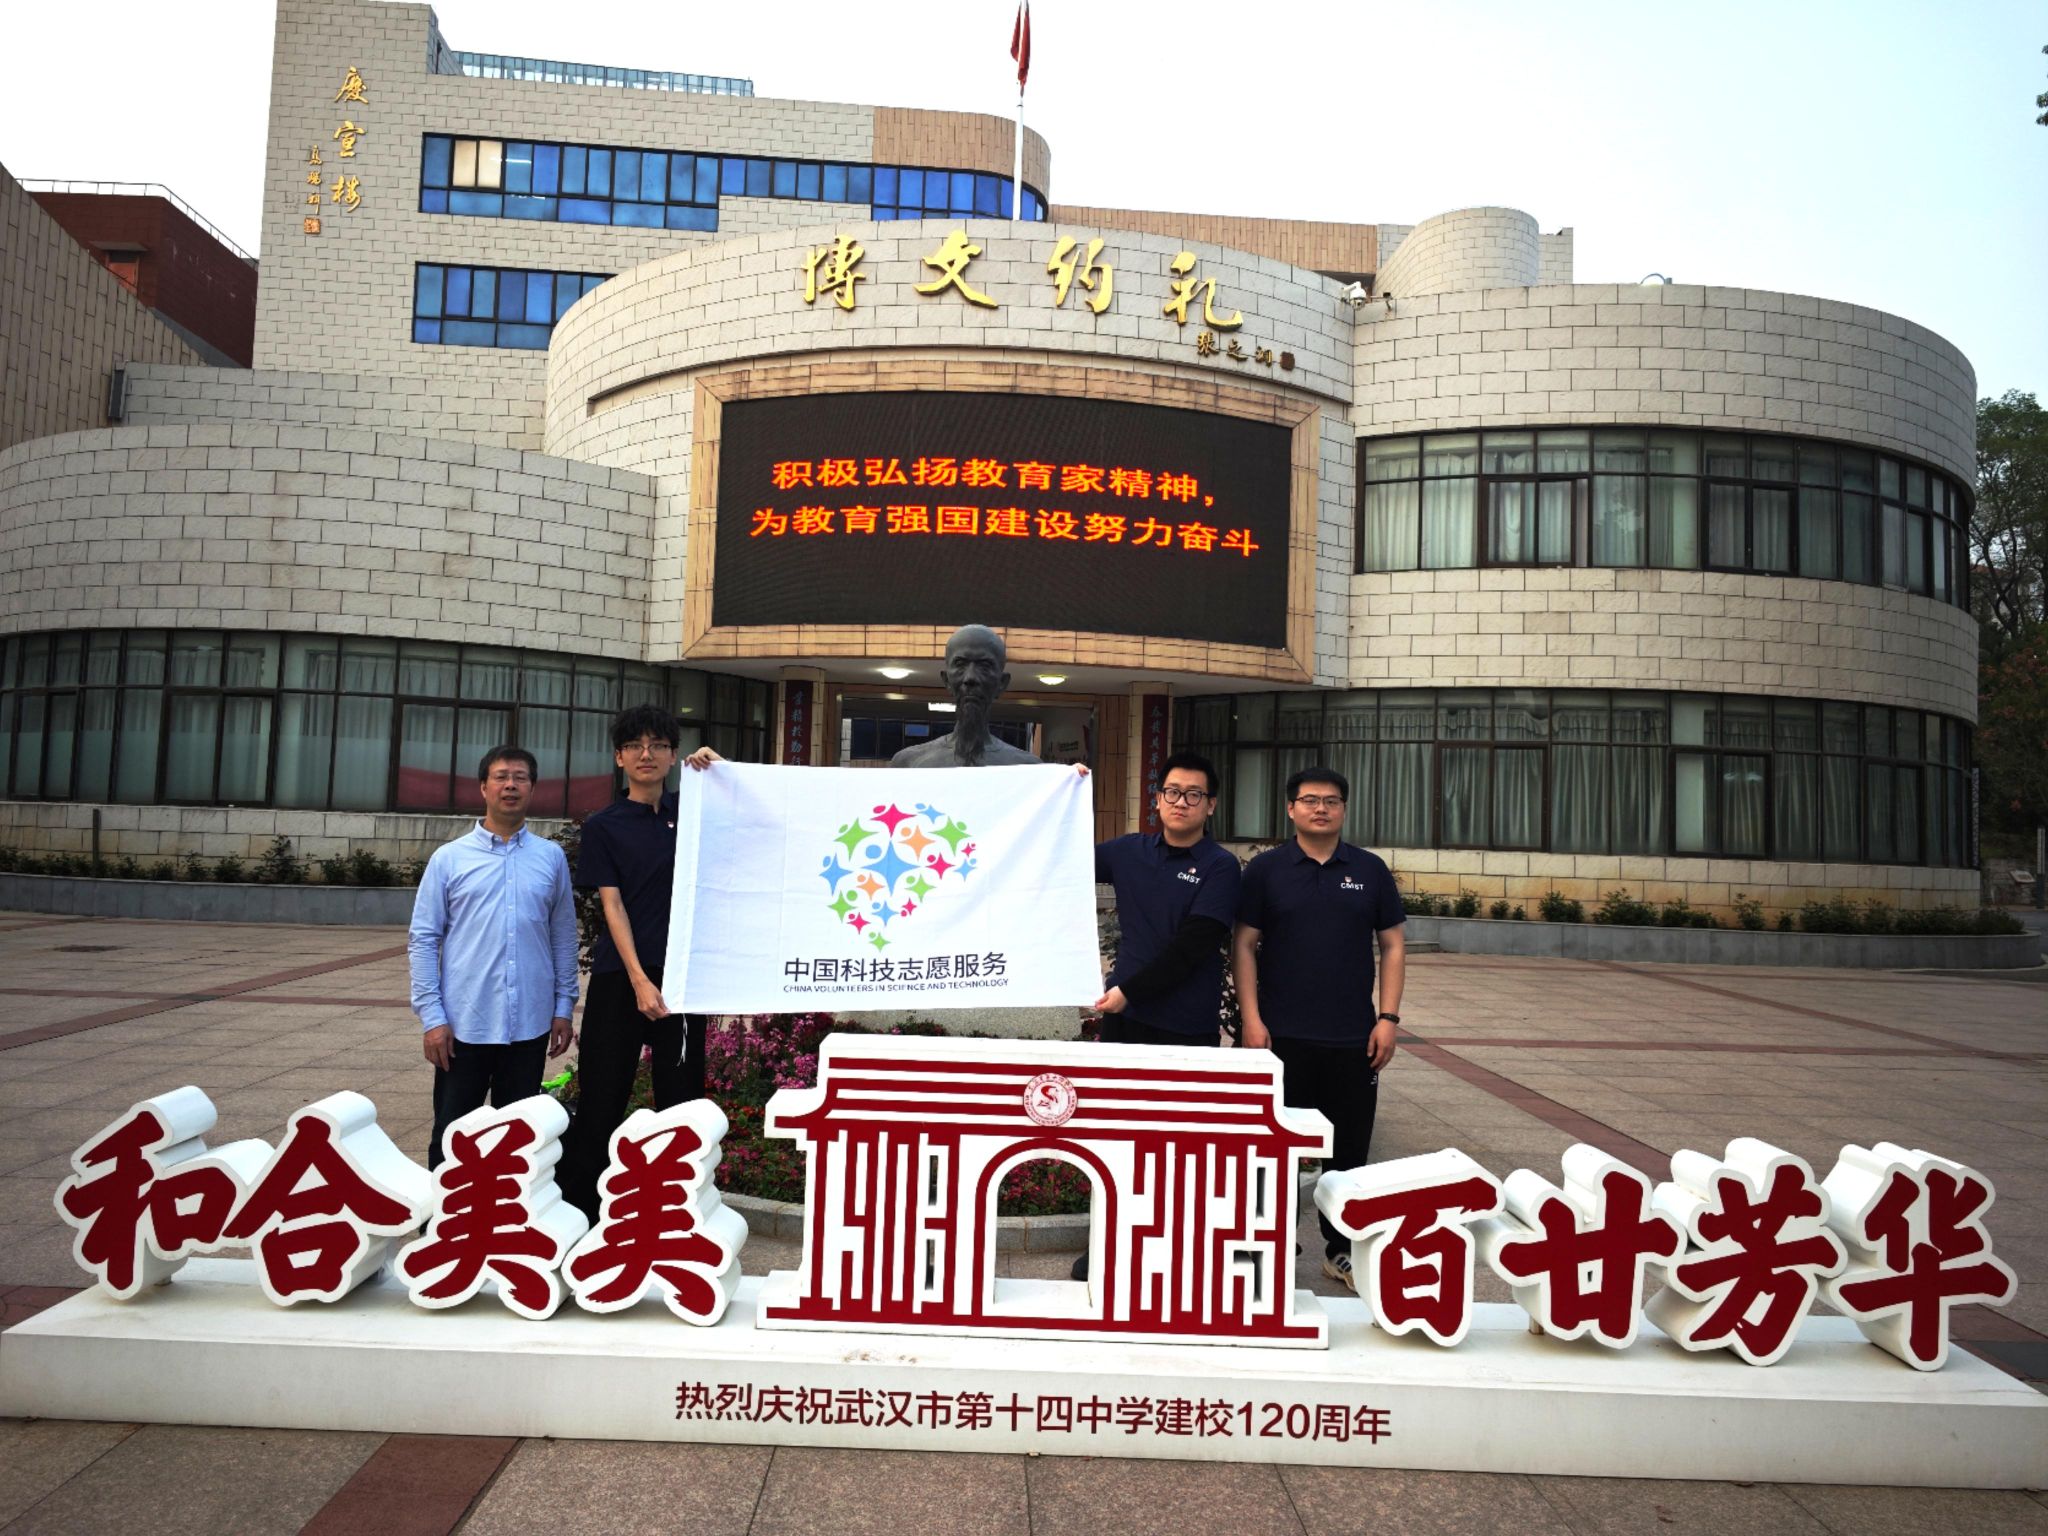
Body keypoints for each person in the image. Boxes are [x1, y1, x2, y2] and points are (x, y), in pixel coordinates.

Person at [1231, 764, 1406, 1293]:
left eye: (1331, 800)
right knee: (1270, 1151)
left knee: (1348, 1152)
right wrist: (1251, 1020)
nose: (1321, 808)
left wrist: (1388, 1018)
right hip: (1279, 1036)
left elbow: (1392, 945)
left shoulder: (1370, 870)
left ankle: (1341, 1249)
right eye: (1309, 800)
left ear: (1343, 809)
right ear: (1291, 809)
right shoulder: (1266, 871)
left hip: (1353, 1038)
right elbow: (1244, 944)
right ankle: (1268, 1243)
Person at [1073, 750, 1240, 1279]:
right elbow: (1060, 854)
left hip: (1184, 1025)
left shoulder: (1219, 867)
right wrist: (1063, 792)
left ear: (1210, 805)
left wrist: (1128, 991)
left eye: (1193, 794)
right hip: (1126, 1021)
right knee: (1116, 1136)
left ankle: (1170, 1251)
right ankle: (1108, 1244)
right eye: (1172, 792)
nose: (1180, 802)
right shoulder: (1129, 852)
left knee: (1178, 1143)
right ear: (1157, 798)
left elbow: (1194, 946)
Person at [558, 704, 720, 1223]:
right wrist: (640, 981)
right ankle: (581, 1215)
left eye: (658, 745)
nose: (645, 754)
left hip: (684, 981)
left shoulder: (694, 814)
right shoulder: (605, 825)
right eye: (634, 746)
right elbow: (613, 905)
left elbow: (751, 819)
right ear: (619, 757)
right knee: (602, 1096)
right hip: (621, 979)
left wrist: (720, 770)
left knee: (683, 1101)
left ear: (674, 756)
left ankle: (678, 1212)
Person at [409, 745, 578, 1170]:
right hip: (464, 1024)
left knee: (518, 1139)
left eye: (520, 777)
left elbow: (562, 936)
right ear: (483, 787)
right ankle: (444, 1208)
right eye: (501, 777)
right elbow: (424, 939)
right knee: (453, 1135)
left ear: (532, 788)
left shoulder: (550, 858)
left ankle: (509, 1209)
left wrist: (563, 1006)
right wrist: (432, 1018)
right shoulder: (449, 859)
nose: (510, 785)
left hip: (529, 1025)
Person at [889, 624, 1040, 767]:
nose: (970, 677)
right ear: (946, 680)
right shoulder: (909, 763)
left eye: (985, 665)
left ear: (1002, 683)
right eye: (960, 664)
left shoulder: (1029, 768)